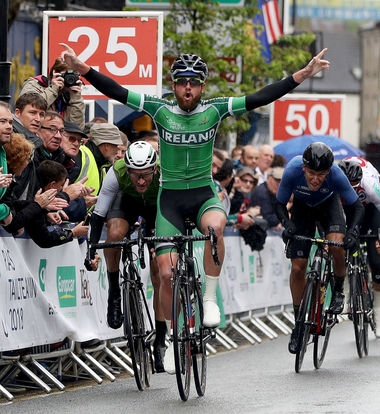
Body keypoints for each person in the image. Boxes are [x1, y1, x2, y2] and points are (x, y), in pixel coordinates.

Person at [60, 44, 330, 373]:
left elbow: (260, 97)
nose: (188, 87)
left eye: (194, 82)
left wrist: (302, 74)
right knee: (167, 272)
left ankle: (210, 297)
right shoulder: (160, 110)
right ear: (174, 86)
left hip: (203, 196)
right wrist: (83, 68)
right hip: (170, 200)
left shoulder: (215, 110)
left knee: (214, 229)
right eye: (182, 81)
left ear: (202, 86)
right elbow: (117, 90)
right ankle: (174, 338)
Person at [273, 142, 364, 353]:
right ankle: (298, 324)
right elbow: (279, 203)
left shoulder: (337, 176)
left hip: (328, 206)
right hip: (302, 209)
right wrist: (287, 224)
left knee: (336, 246)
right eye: (311, 173)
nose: (315, 179)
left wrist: (351, 233)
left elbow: (356, 206)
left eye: (321, 174)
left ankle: (339, 288)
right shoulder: (293, 170)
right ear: (304, 168)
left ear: (329, 171)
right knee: (298, 268)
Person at [86, 142, 165, 367]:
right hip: (127, 203)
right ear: (127, 170)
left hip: (157, 208)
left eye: (146, 175)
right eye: (135, 175)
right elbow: (99, 214)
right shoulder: (117, 172)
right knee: (115, 234)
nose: (141, 181)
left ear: (155, 170)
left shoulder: (164, 172)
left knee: (159, 268)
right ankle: (114, 290)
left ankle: (160, 339)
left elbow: (170, 209)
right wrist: (91, 247)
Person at [338, 157, 380, 338]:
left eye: (355, 186)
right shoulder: (334, 182)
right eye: (348, 186)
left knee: (375, 257)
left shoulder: (371, 185)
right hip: (347, 211)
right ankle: (347, 293)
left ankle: (378, 307)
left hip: (371, 209)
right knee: (342, 246)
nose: (353, 190)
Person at [19, 57, 86, 129]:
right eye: (65, 75)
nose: (69, 78)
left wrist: (76, 98)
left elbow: (77, 128)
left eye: (73, 75)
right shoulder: (34, 85)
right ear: (54, 73)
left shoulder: (69, 97)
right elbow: (31, 107)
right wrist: (53, 89)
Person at [78, 123, 124, 194]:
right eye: (116, 146)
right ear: (107, 146)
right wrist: (81, 202)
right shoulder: (80, 155)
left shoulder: (101, 164)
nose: (117, 151)